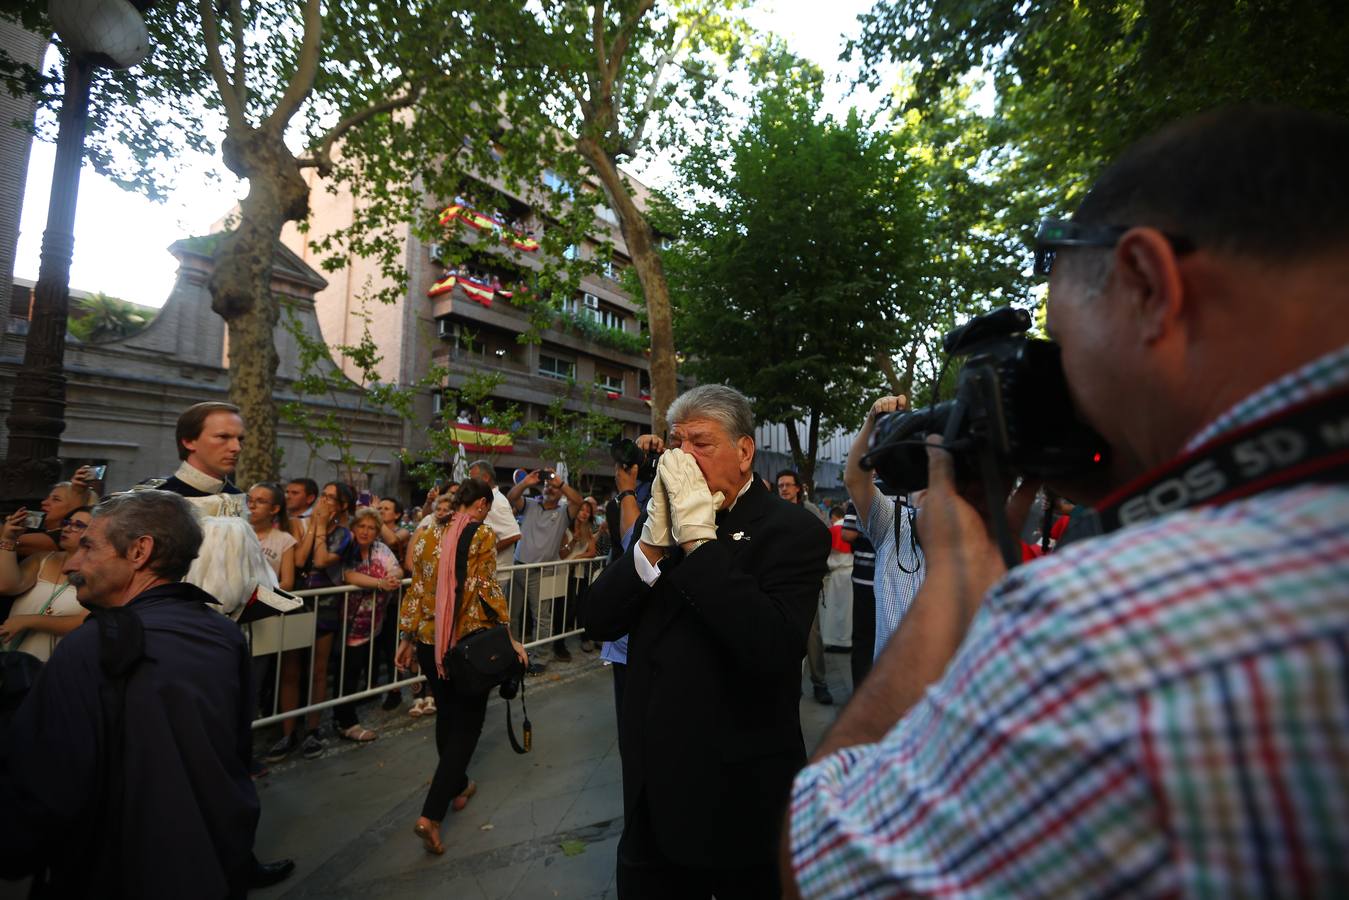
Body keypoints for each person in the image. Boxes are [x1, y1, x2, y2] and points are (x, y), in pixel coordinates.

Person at [785, 106, 1349, 897]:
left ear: (1148, 284)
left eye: (1058, 337)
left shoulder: (1107, 631)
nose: (1064, 380)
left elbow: (821, 872)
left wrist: (961, 564)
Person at [586, 384, 830, 898]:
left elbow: (771, 647)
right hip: (652, 792)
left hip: (735, 797)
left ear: (744, 452)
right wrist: (653, 542)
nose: (683, 457)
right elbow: (599, 619)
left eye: (701, 443)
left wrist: (700, 542)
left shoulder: (792, 531)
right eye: (677, 443)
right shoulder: (664, 519)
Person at [0, 490, 259, 897]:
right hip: (214, 861)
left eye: (88, 546)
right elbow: (237, 753)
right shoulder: (223, 633)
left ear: (139, 551)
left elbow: (47, 786)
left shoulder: (89, 648)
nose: (72, 564)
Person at [395, 479, 527, 855]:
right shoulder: (482, 535)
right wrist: (509, 637)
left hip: (427, 643)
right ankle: (431, 815)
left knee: (446, 718)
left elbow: (417, 589)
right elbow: (487, 588)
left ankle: (458, 783)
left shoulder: (424, 535)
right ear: (483, 504)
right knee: (467, 726)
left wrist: (406, 637)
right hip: (466, 644)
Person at [272, 480, 356, 762]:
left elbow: (321, 561)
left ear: (342, 505)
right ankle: (287, 732)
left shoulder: (345, 535)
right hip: (297, 604)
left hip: (326, 607)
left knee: (318, 670)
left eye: (332, 498)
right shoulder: (298, 524)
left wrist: (320, 527)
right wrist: (312, 528)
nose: (324, 502)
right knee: (290, 669)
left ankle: (312, 730)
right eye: (323, 496)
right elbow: (299, 561)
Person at [841, 395, 926, 662]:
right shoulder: (895, 526)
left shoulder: (980, 542)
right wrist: (872, 423)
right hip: (892, 693)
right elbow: (855, 479)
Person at [506, 467, 583, 670]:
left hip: (542, 571)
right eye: (547, 485)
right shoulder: (530, 504)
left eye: (553, 487)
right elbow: (511, 497)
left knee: (541, 617)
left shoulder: (564, 512)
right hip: (518, 566)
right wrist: (525, 483)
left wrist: (561, 484)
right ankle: (512, 654)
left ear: (560, 492)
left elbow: (579, 501)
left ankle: (540, 659)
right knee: (510, 616)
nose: (549, 488)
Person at [0, 506, 91, 661]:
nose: (68, 528)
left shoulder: (99, 571)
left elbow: (87, 621)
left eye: (78, 525)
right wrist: (8, 540)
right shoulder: (42, 558)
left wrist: (29, 621)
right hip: (13, 660)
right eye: (67, 522)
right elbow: (6, 586)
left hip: (54, 664)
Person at [776, 469, 833, 704]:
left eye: (788, 485)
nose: (784, 489)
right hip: (778, 582)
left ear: (798, 488)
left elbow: (823, 542)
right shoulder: (773, 511)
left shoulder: (810, 512)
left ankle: (820, 683)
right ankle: (789, 685)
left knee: (812, 636)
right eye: (780, 486)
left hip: (805, 584)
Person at [401, 493, 455, 718]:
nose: (441, 513)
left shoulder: (462, 537)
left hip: (446, 615)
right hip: (423, 609)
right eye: (438, 509)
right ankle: (417, 696)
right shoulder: (424, 534)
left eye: (446, 509)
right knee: (415, 654)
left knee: (440, 659)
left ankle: (433, 695)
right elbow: (412, 566)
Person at [15, 468, 98, 558]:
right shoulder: (33, 526)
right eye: (48, 498)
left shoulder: (64, 537)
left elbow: (13, 542)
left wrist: (78, 492)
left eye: (56, 499)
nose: (44, 502)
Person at [837, 503, 876, 688]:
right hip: (898, 576)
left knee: (863, 639)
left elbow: (848, 534)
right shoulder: (909, 491)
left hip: (865, 577)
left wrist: (865, 528)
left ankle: (861, 692)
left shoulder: (864, 493)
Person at [557, 496, 600, 656]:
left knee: (581, 606)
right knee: (564, 608)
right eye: (582, 510)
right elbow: (562, 554)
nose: (584, 514)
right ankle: (559, 644)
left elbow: (592, 552)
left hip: (580, 573)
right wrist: (573, 542)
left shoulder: (587, 530)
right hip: (563, 573)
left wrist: (578, 558)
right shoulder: (565, 528)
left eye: (587, 512)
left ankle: (584, 638)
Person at [247, 482, 296, 590]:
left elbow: (287, 583)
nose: (252, 506)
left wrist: (258, 593)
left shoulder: (284, 539)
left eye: (260, 501)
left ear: (274, 509)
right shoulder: (236, 532)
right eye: (249, 500)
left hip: (262, 599)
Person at [818, 506, 853, 649]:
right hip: (851, 572)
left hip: (837, 574)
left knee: (834, 610)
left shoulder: (833, 530)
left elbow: (829, 555)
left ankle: (835, 641)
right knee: (848, 611)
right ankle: (847, 641)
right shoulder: (852, 529)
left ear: (834, 517)